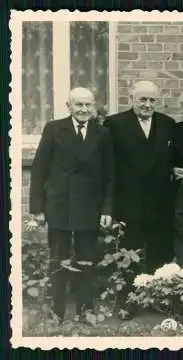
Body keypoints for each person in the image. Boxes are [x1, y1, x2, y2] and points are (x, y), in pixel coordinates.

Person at [29, 87, 114, 323]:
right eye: (79, 105)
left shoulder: (102, 133)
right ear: (69, 106)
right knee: (58, 259)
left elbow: (109, 175)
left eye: (88, 105)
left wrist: (107, 209)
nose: (84, 110)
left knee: (86, 259)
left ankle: (85, 310)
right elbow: (39, 170)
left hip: (89, 206)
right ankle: (56, 311)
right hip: (59, 205)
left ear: (94, 106)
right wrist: (37, 208)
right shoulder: (54, 129)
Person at [103, 80, 176, 319]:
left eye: (152, 100)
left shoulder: (168, 124)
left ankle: (157, 299)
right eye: (142, 99)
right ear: (131, 98)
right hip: (129, 202)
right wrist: (110, 206)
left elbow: (172, 161)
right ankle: (128, 302)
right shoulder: (114, 124)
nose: (147, 104)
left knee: (159, 253)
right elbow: (109, 168)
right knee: (128, 254)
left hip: (160, 203)